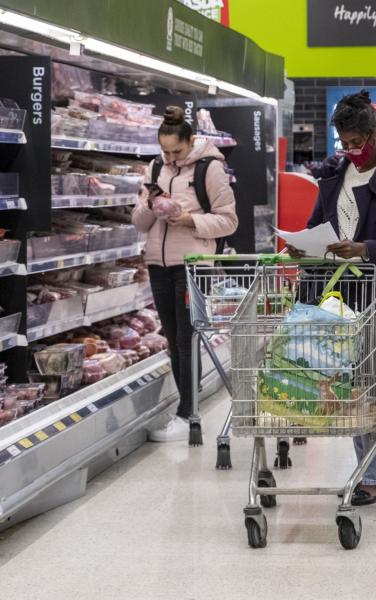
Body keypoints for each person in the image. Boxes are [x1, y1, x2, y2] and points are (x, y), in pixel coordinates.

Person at [288, 91, 376, 506]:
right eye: (344, 144)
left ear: (375, 133)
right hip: (333, 293)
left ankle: (370, 476)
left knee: (369, 383)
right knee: (338, 379)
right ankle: (366, 466)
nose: (350, 151)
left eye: (357, 143)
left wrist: (366, 248)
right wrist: (303, 245)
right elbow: (318, 224)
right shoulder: (334, 172)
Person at [132, 106, 239, 442]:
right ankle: (186, 410)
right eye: (164, 151)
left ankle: (187, 415)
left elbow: (229, 220)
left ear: (191, 142)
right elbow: (138, 224)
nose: (170, 157)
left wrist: (190, 220)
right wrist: (151, 204)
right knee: (171, 338)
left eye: (176, 151)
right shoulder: (154, 168)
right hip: (158, 263)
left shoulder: (210, 169)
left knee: (185, 339)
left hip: (194, 263)